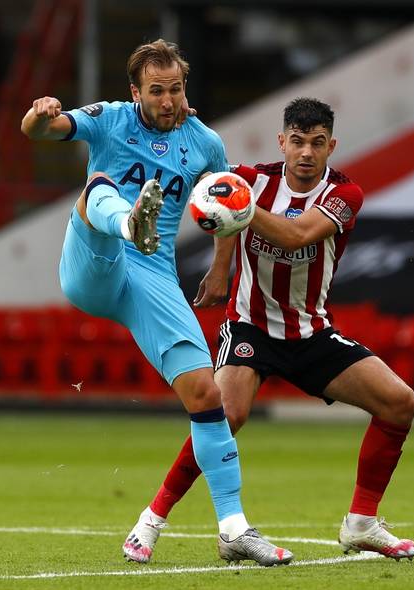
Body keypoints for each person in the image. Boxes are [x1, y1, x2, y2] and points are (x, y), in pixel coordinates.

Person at [20, 39, 292, 567]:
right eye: (157, 91)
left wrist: (220, 267)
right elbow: (43, 132)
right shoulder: (110, 119)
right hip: (95, 263)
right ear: (135, 92)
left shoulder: (204, 141)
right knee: (97, 184)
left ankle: (234, 528)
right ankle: (128, 220)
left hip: (151, 275)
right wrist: (38, 115)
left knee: (204, 393)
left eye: (175, 89)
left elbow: (228, 201)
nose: (168, 100)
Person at [124, 97, 414, 563]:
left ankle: (362, 523)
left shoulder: (345, 196)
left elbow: (298, 234)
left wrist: (235, 202)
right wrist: (221, 266)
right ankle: (150, 521)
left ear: (331, 147)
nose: (306, 153)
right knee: (223, 417)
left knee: (400, 403)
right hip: (250, 327)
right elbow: (214, 190)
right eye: (298, 142)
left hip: (311, 331)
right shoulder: (252, 179)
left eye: (317, 144)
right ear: (281, 142)